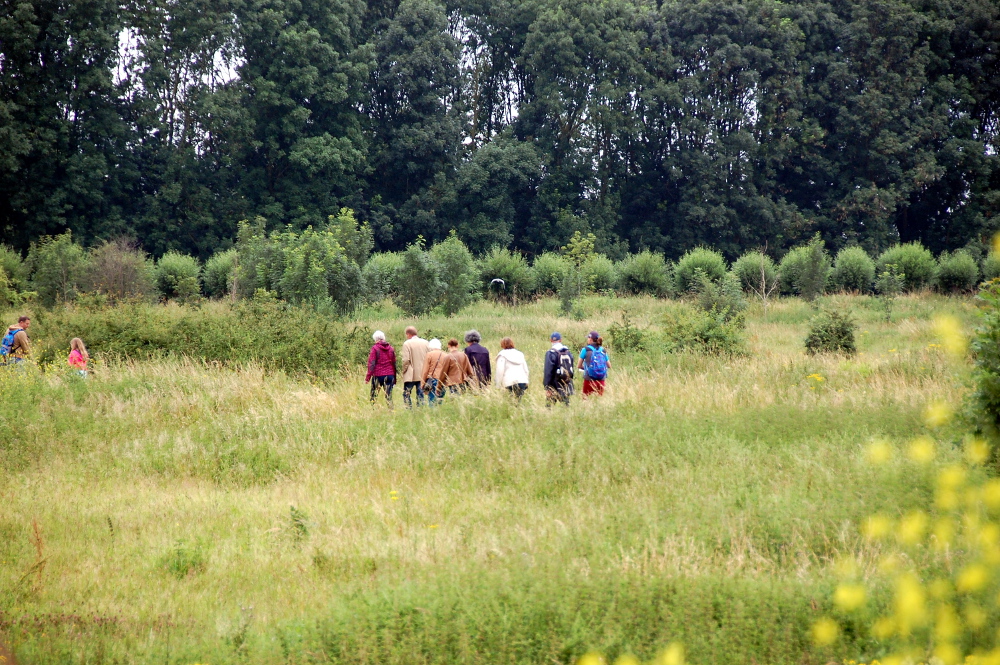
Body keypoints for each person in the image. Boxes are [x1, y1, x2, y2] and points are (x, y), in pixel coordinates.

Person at [364, 330, 397, 405]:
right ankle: (391, 411)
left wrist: (368, 378)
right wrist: (394, 378)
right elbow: (394, 364)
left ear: (375, 339)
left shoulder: (375, 348)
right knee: (389, 396)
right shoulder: (391, 348)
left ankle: (372, 410)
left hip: (378, 375)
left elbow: (371, 363)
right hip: (389, 375)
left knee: (373, 396)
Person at [542, 331, 574, 406]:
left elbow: (548, 372)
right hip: (566, 382)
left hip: (554, 383)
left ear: (551, 340)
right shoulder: (568, 352)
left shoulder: (550, 353)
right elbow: (571, 367)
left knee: (549, 406)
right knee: (566, 406)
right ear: (560, 340)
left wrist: (547, 386)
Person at [421, 338, 456, 406]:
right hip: (443, 380)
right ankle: (439, 414)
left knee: (432, 400)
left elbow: (425, 370)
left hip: (432, 380)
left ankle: (433, 415)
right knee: (440, 399)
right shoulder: (446, 355)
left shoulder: (429, 354)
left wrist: (422, 383)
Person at [401, 326, 429, 407]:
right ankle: (421, 408)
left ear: (408, 334)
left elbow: (406, 360)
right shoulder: (426, 342)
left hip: (411, 373)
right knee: (420, 393)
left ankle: (408, 409)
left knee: (407, 393)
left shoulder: (407, 344)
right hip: (423, 372)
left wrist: (404, 370)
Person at [495, 337, 529, 401]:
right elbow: (526, 369)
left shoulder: (502, 355)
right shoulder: (520, 354)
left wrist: (498, 385)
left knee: (510, 402)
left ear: (502, 344)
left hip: (509, 382)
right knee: (518, 401)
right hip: (521, 381)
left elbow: (500, 371)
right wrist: (526, 381)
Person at [578, 331, 610, 397]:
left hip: (588, 379)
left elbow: (579, 366)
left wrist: (587, 368)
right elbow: (609, 365)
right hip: (601, 380)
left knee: (585, 400)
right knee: (599, 401)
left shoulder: (585, 350)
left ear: (590, 339)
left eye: (588, 338)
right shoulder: (602, 350)